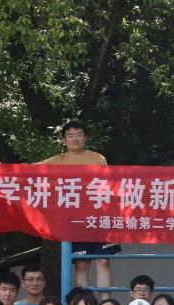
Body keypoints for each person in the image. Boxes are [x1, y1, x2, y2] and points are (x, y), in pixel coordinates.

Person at [40, 120, 121, 295]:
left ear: (85, 138)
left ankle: (106, 304)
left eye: (79, 135)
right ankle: (81, 304)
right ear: (64, 140)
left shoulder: (98, 158)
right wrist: (0, 170)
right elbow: (29, 171)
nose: (75, 139)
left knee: (103, 261)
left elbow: (111, 185)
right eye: (70, 136)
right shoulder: (57, 160)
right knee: (81, 263)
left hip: (99, 217)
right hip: (75, 220)